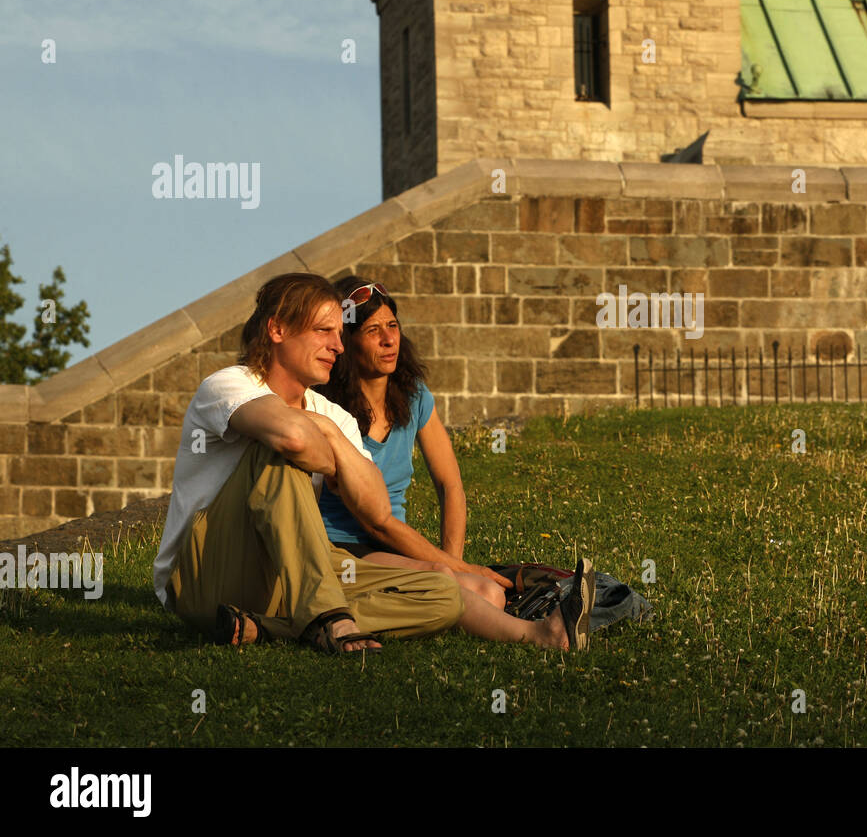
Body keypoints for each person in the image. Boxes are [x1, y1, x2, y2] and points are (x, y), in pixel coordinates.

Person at [151, 272, 594, 653]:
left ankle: (542, 635)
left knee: (442, 590)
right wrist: (321, 439)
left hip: (281, 581)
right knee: (279, 452)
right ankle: (328, 618)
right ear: (278, 329)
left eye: (339, 335)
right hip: (205, 575)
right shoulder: (229, 384)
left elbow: (375, 506)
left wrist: (325, 433)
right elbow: (290, 437)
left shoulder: (333, 416)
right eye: (324, 332)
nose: (336, 347)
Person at [313, 276, 507, 609]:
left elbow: (450, 484)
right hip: (342, 549)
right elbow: (375, 522)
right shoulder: (326, 408)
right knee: (481, 592)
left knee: (484, 590)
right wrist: (455, 571)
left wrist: (453, 560)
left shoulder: (414, 396)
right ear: (346, 342)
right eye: (373, 331)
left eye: (393, 325)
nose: (389, 340)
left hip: (395, 546)